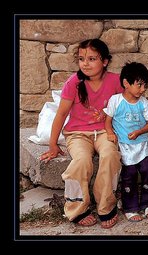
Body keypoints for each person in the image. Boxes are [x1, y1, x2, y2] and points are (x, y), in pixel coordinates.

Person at [39, 39, 123, 229]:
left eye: (92, 58)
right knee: (81, 161)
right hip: (78, 134)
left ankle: (105, 206)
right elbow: (61, 114)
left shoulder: (115, 81)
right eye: (81, 59)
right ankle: (77, 207)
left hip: (105, 131)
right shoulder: (74, 83)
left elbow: (125, 106)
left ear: (105, 62)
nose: (85, 63)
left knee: (110, 155)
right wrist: (53, 144)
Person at [103, 62, 148, 222]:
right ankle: (131, 207)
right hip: (125, 147)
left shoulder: (143, 102)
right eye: (139, 85)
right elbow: (108, 121)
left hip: (142, 146)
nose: (142, 89)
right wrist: (110, 133)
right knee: (129, 177)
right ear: (126, 83)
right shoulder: (115, 101)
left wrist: (139, 132)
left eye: (145, 85)